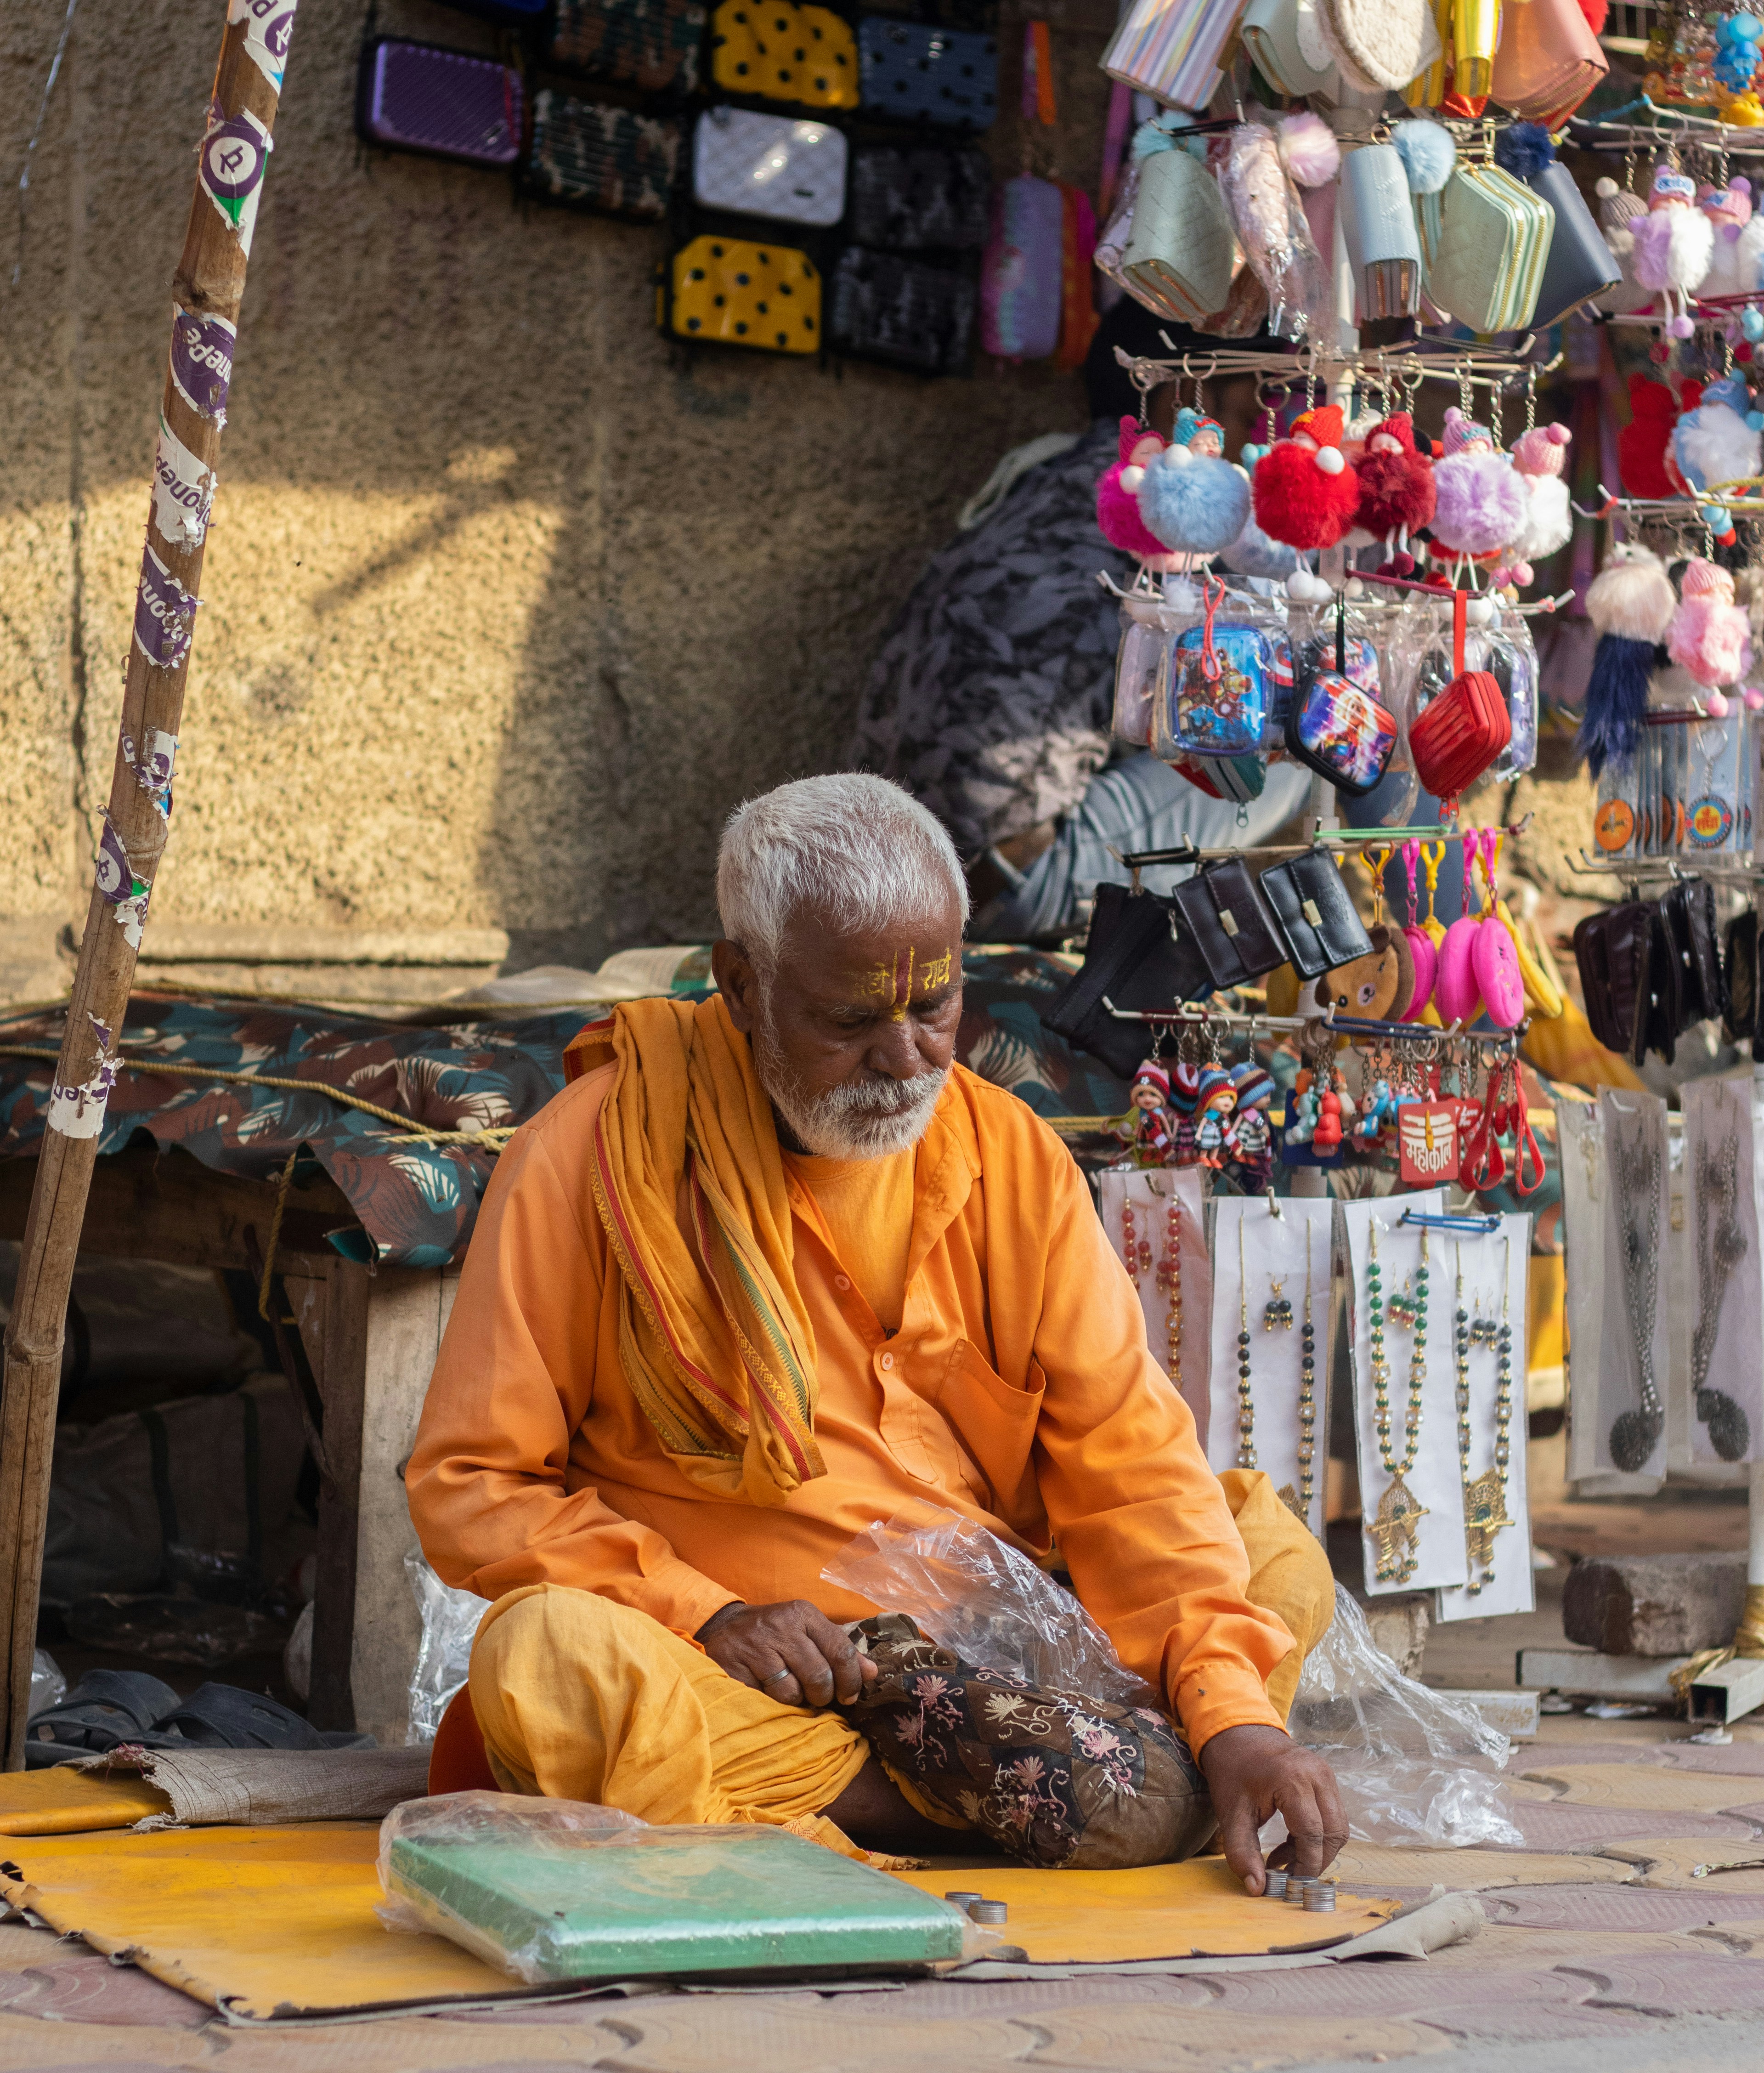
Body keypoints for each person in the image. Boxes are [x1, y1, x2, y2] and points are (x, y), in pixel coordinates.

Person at [407, 773, 1344, 1886]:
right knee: (548, 1658)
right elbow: (472, 1484)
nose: (906, 1060)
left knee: (1257, 1536)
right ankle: (960, 1800)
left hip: (1004, 1672)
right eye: (851, 1021)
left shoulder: (1014, 1159)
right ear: (743, 985)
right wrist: (711, 1616)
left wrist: (1240, 1722)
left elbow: (1131, 1470)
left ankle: (1123, 1772)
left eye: (935, 1006)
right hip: (761, 1689)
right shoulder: (588, 1158)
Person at [850, 300, 1308, 941]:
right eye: (1261, 390)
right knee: (1313, 738)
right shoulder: (1182, 519)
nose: (1272, 420)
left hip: (887, 872)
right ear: (1182, 393)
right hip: (1008, 882)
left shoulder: (1045, 479)